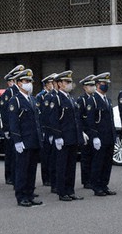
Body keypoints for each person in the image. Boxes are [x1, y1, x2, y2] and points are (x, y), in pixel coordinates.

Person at [45, 71, 85, 201]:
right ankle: (62, 192)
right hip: (63, 138)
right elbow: (53, 119)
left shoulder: (70, 98)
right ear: (59, 84)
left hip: (72, 137)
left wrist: (80, 135)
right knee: (62, 166)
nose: (69, 84)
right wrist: (57, 136)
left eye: (70, 82)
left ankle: (70, 190)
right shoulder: (56, 98)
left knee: (71, 166)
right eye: (66, 82)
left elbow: (76, 119)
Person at [7, 69, 44, 207]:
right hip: (23, 141)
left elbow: (36, 121)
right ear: (18, 83)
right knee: (22, 170)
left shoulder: (33, 99)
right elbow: (13, 123)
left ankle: (29, 194)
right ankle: (21, 196)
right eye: (26, 81)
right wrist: (17, 140)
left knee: (31, 170)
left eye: (30, 81)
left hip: (34, 140)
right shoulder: (15, 100)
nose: (29, 84)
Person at [84, 73, 118, 196]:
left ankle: (104, 185)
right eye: (104, 84)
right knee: (98, 163)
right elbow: (90, 121)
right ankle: (96, 186)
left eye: (107, 84)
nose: (106, 86)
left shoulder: (107, 100)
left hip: (109, 136)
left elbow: (111, 120)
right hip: (100, 136)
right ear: (98, 85)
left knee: (107, 163)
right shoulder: (92, 100)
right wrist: (94, 137)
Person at [0, 65, 25, 186]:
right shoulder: (9, 92)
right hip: (12, 129)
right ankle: (10, 176)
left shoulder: (22, 92)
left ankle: (17, 178)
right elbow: (5, 112)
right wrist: (6, 129)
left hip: (22, 130)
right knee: (11, 154)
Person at [36, 73, 56, 188]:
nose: (52, 85)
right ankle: (46, 178)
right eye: (50, 83)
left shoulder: (53, 95)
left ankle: (51, 176)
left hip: (51, 129)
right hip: (45, 129)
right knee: (45, 156)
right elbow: (42, 115)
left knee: (52, 156)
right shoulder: (41, 96)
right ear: (46, 85)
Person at [77, 75, 96, 189]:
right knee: (86, 158)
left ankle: (93, 178)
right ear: (85, 87)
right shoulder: (82, 100)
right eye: (90, 85)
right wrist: (81, 132)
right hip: (86, 132)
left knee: (95, 157)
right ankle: (86, 180)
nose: (92, 87)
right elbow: (78, 118)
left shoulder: (95, 98)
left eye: (94, 85)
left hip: (94, 131)